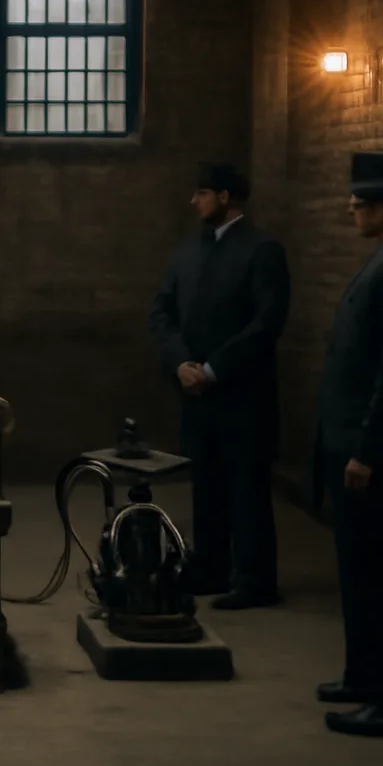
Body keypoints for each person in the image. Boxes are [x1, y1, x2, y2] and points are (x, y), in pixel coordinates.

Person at [149, 161, 290, 609]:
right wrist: (180, 363)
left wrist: (213, 370)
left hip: (242, 394)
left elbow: (267, 321)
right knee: (206, 484)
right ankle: (210, 568)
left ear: (225, 197)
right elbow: (162, 312)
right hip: (195, 393)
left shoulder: (263, 251)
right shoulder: (188, 251)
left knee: (246, 488)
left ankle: (255, 581)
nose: (194, 201)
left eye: (203, 194)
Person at [313, 151, 383, 738]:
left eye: (360, 204)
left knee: (374, 574)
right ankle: (362, 675)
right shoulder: (376, 260)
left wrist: (367, 449)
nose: (351, 210)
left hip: (366, 446)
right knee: (356, 572)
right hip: (346, 438)